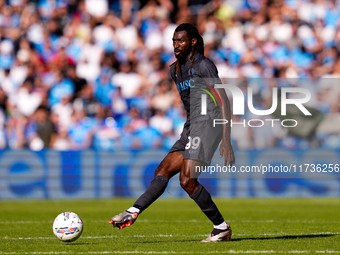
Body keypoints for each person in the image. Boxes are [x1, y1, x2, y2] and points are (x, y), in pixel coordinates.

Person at [109, 23, 235, 242]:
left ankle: (221, 227)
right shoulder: (174, 70)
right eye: (174, 41)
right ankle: (134, 210)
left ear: (193, 42)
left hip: (208, 126)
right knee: (163, 170)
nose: (176, 45)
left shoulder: (204, 65)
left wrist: (226, 138)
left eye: (181, 41)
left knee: (187, 180)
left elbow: (224, 99)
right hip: (191, 127)